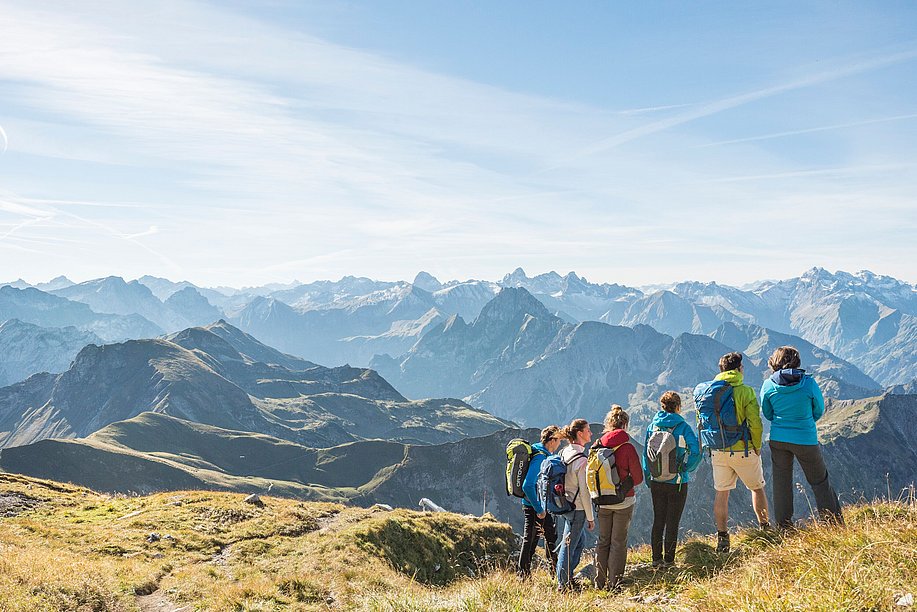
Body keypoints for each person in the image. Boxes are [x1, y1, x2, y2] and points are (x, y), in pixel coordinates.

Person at [760, 346, 844, 528]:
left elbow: (767, 413)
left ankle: (784, 527)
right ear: (797, 361)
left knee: (781, 484)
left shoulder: (768, 385)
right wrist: (805, 421)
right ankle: (833, 525)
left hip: (778, 439)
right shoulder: (808, 383)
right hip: (805, 439)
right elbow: (819, 409)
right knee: (819, 482)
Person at [695, 352, 770, 554]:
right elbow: (755, 423)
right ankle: (765, 530)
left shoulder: (708, 392)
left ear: (721, 370)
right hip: (743, 448)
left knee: (722, 493)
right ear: (739, 369)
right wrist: (757, 446)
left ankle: (722, 539)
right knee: (757, 488)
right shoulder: (746, 391)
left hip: (718, 450)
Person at [642, 391, 701, 567]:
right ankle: (669, 561)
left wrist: (649, 478)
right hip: (677, 482)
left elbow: (646, 454)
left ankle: (655, 560)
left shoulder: (653, 426)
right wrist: (685, 468)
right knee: (672, 522)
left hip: (656, 480)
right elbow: (696, 451)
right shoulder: (683, 427)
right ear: (678, 407)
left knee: (658, 520)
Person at [593, 405, 643, 591]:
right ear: (625, 424)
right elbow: (638, 478)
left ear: (609, 424)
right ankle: (615, 583)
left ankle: (599, 582)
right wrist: (624, 485)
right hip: (623, 501)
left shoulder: (597, 446)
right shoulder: (627, 447)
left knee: (603, 540)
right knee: (618, 542)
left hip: (602, 500)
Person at [517, 425, 562, 577]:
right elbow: (527, 485)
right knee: (533, 539)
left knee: (535, 538)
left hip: (534, 505)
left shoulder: (538, 451)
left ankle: (526, 574)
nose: (559, 444)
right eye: (559, 440)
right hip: (534, 507)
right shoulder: (540, 457)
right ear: (552, 440)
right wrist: (540, 510)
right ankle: (525, 575)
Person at [555, 418, 595, 591]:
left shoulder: (565, 452)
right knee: (569, 544)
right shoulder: (582, 460)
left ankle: (567, 576)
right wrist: (591, 517)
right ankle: (563, 584)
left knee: (578, 542)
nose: (591, 433)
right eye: (588, 430)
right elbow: (585, 492)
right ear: (580, 433)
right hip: (577, 508)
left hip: (565, 503)